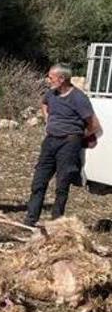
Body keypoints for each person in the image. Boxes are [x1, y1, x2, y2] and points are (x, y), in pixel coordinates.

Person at [25, 64, 103, 225]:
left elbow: (94, 125)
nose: (48, 80)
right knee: (39, 181)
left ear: (61, 79)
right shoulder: (51, 93)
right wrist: (48, 120)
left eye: (51, 77)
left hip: (69, 143)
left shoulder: (78, 98)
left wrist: (78, 136)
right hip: (50, 141)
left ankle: (56, 222)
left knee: (62, 183)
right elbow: (44, 103)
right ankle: (31, 219)